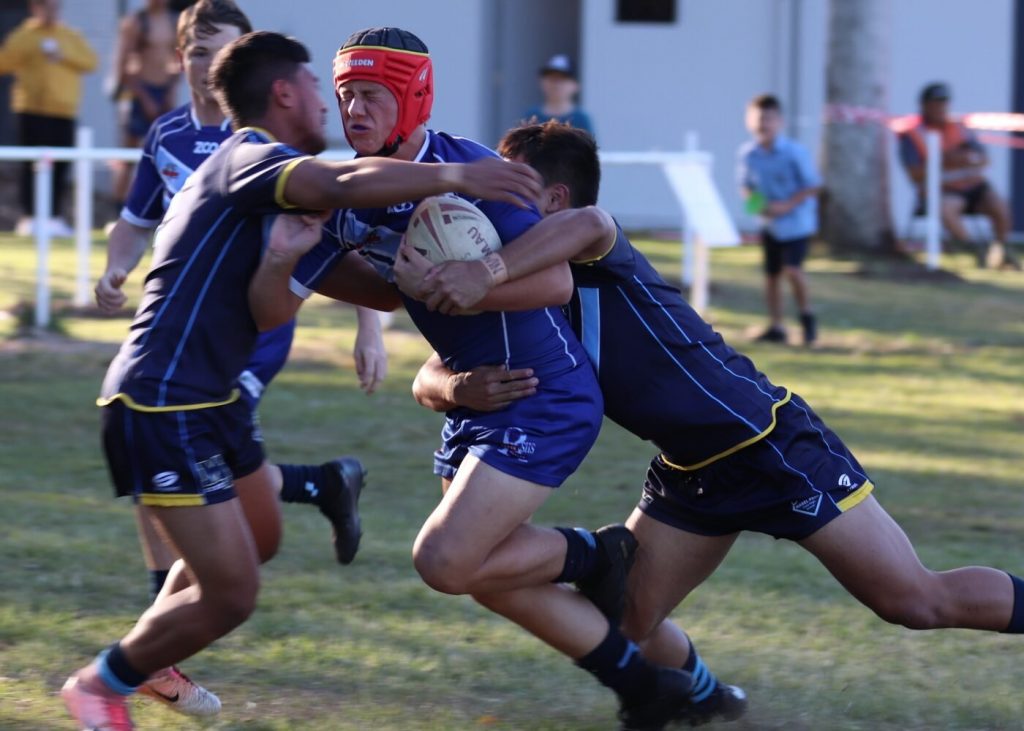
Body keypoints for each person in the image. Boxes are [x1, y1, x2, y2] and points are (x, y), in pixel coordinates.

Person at [408, 120, 1024, 721]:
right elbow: (427, 375)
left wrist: (485, 271)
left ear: (555, 199)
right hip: (690, 473)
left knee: (913, 600)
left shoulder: (594, 247)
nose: (490, 210)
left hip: (767, 443)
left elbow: (592, 222)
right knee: (627, 622)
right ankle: (705, 698)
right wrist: (458, 385)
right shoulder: (529, 293)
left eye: (509, 192)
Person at [61, 30, 545, 731]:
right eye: (324, 88)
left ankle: (150, 652)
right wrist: (458, 177)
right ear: (285, 93)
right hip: (158, 400)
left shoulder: (270, 190)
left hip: (213, 401)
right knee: (232, 595)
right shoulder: (253, 157)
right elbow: (339, 180)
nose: (333, 103)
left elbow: (272, 309)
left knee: (259, 538)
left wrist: (290, 261)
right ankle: (101, 684)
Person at [257, 27, 696, 731]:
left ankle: (597, 552)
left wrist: (469, 285)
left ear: (415, 97)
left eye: (372, 95)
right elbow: (362, 294)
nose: (355, 111)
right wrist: (286, 259)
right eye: (345, 96)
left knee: (445, 560)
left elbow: (554, 282)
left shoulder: (480, 173)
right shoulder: (343, 194)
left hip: (543, 394)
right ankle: (652, 685)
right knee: (491, 576)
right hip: (475, 403)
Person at [91, 0, 383, 718]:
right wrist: (114, 269)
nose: (200, 61)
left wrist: (384, 314)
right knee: (222, 558)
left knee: (235, 527)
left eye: (213, 49)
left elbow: (298, 271)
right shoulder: (212, 146)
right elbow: (136, 221)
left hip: (225, 365)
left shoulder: (270, 154)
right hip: (173, 375)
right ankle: (127, 667)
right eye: (192, 49)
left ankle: (154, 646)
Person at [0, 0, 97, 237]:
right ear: (36, 8)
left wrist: (62, 55)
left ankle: (53, 216)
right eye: (47, 8)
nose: (52, 13)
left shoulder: (69, 35)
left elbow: (90, 62)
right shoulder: (24, 35)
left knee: (60, 165)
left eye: (55, 8)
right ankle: (30, 217)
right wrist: (32, 51)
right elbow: (4, 63)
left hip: (63, 110)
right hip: (31, 109)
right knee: (30, 164)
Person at [898, 82, 1019, 270]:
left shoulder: (960, 128)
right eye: (934, 103)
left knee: (1000, 206)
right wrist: (947, 160)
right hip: (942, 190)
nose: (940, 108)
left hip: (974, 187)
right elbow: (914, 173)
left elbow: (984, 159)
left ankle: (1001, 252)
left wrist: (964, 159)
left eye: (943, 103)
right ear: (923, 105)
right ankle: (976, 252)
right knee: (947, 209)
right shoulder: (913, 134)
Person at [737, 94, 821, 345]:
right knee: (771, 276)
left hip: (796, 223)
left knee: (793, 270)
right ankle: (776, 326)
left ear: (780, 121)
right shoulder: (748, 154)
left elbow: (812, 185)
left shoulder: (794, 152)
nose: (764, 124)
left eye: (769, 118)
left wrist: (787, 205)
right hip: (770, 225)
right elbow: (746, 187)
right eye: (758, 118)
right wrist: (758, 207)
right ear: (749, 121)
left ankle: (807, 317)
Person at [111, 0, 181, 212]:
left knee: (168, 153)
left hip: (163, 93)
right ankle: (118, 209)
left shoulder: (173, 21)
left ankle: (163, 208)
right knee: (128, 156)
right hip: (139, 92)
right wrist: (144, 97)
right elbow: (123, 66)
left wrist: (169, 91)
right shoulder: (136, 22)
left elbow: (178, 60)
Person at [521, 53, 594, 135]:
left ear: (575, 85)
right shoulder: (532, 116)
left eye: (562, 79)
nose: (556, 84)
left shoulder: (581, 119)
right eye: (552, 79)